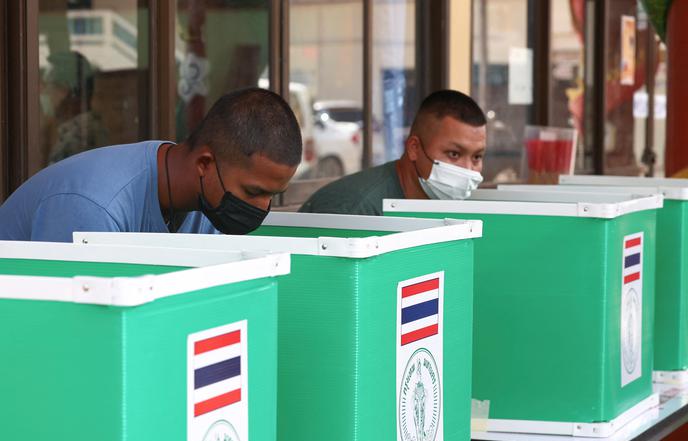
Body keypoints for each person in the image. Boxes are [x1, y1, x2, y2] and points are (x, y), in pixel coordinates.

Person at [0, 87, 302, 242]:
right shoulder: (93, 207)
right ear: (205, 164)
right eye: (252, 192)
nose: (261, 207)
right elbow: (71, 329)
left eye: (271, 196)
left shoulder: (208, 204)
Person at [299, 89, 486, 216]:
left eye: (477, 157)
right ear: (414, 148)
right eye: (454, 154)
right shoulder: (355, 211)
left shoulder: (442, 210)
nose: (468, 169)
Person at [39, 51, 109, 165]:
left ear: (65, 91)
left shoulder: (79, 140)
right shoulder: (83, 131)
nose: (45, 93)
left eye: (49, 85)